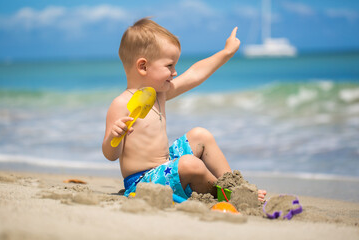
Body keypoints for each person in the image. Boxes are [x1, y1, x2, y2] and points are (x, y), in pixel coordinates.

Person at [102, 18, 266, 201]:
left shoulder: (160, 94)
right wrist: (114, 136)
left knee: (200, 135)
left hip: (166, 166)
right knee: (189, 164)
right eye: (169, 65)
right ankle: (232, 196)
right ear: (143, 66)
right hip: (142, 181)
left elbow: (195, 74)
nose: (175, 72)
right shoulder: (121, 104)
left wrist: (226, 52)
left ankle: (236, 186)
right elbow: (110, 155)